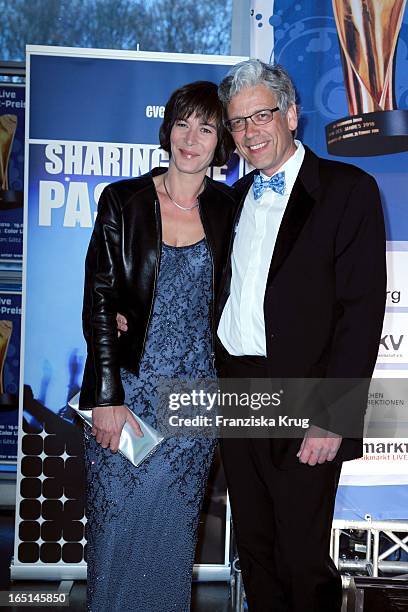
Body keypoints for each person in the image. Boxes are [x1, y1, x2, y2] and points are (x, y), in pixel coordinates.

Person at [215, 60, 386, 612]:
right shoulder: (232, 201)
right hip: (237, 391)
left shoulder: (347, 191)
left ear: (291, 114)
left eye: (261, 115)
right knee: (257, 551)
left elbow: (360, 314)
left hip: (305, 395)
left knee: (302, 556)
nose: (249, 132)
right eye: (238, 124)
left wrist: (332, 416)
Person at [79, 80, 236, 612]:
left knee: (170, 545)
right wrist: (106, 394)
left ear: (222, 142)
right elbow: (99, 301)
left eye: (206, 127)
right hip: (127, 398)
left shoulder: (229, 210)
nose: (191, 138)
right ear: (167, 130)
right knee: (116, 536)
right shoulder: (122, 201)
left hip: (193, 403)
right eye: (182, 124)